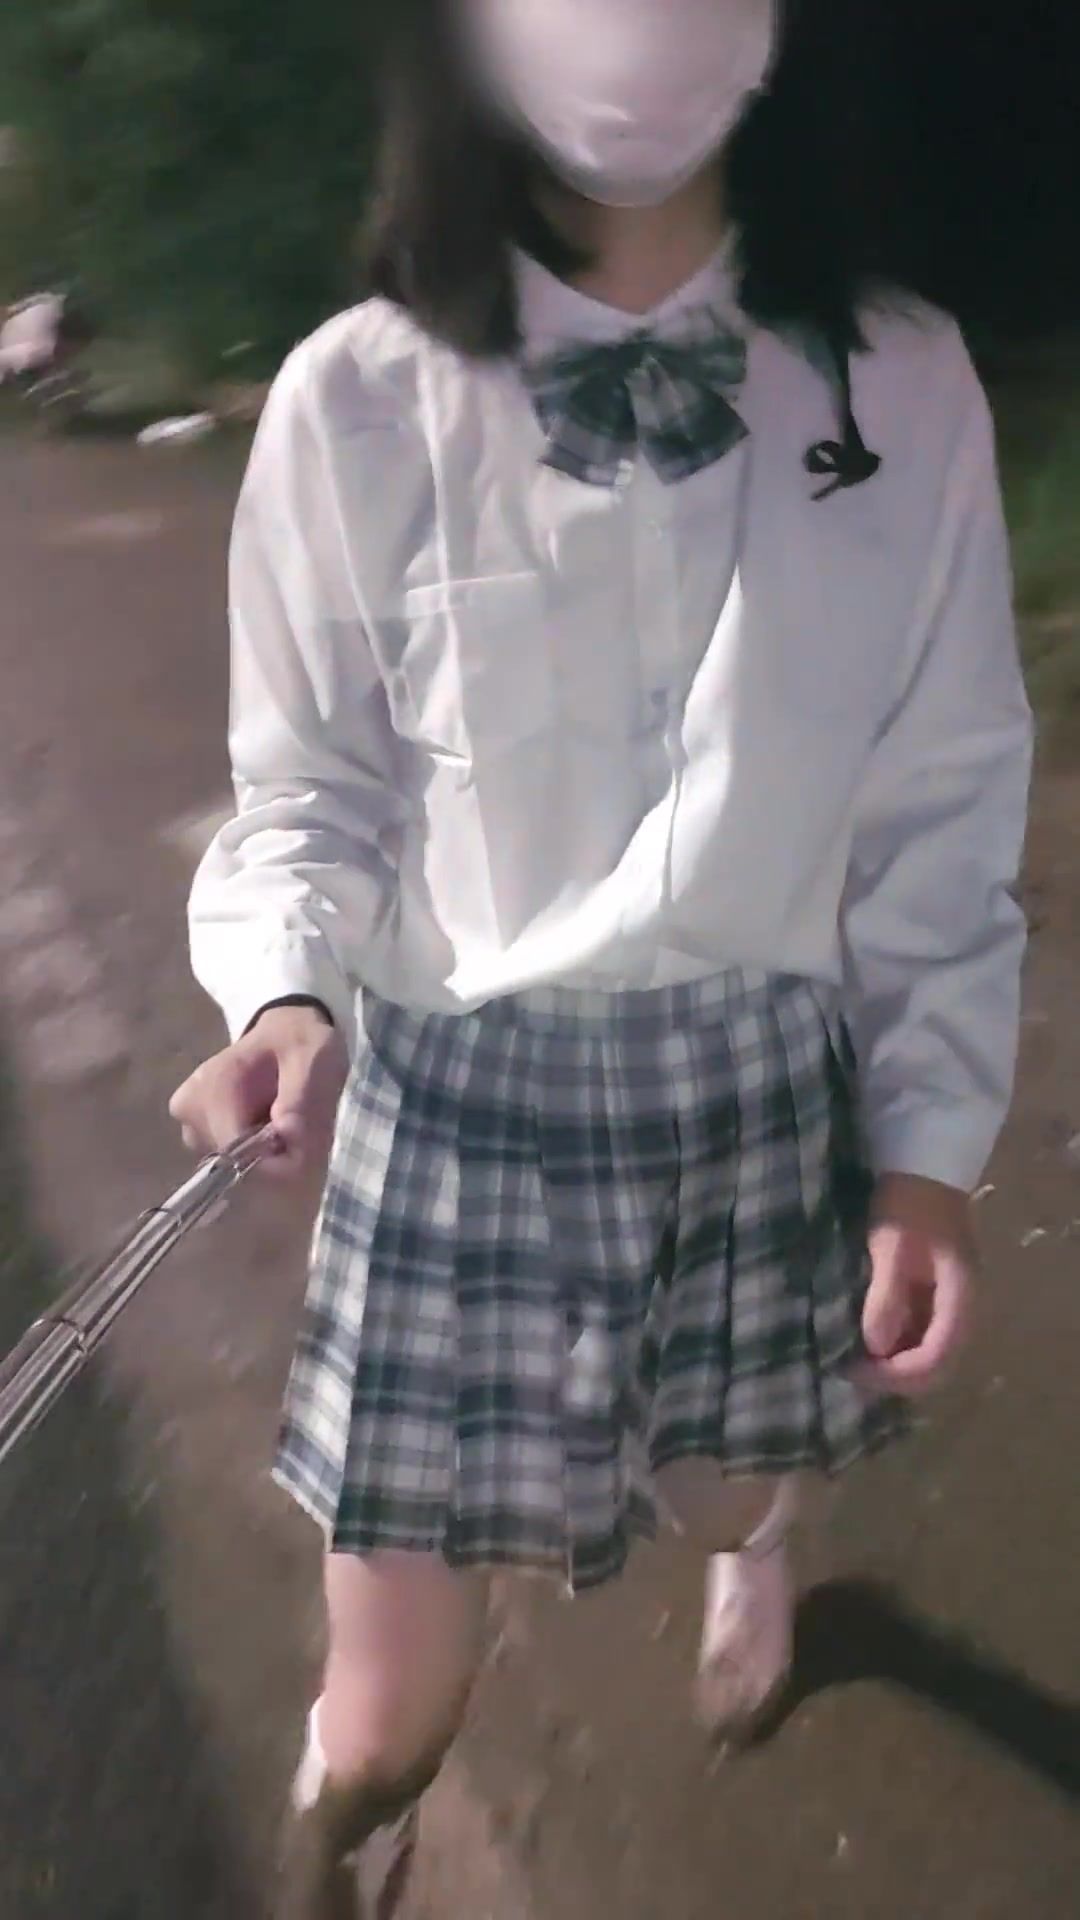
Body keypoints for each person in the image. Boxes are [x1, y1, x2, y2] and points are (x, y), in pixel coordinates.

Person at [170, 2, 1033, 1913]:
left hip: (751, 1088)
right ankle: (345, 1845)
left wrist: (926, 1153)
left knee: (720, 1485)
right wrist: (286, 994)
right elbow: (307, 787)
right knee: (385, 1715)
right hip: (453, 1106)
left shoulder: (900, 384)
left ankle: (755, 1544)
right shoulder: (355, 399)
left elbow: (942, 800)